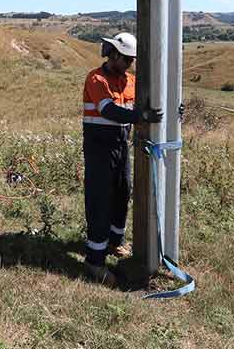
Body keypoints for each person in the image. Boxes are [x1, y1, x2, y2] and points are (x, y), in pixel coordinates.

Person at [81, 32, 162, 285]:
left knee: (122, 193)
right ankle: (94, 261)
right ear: (114, 55)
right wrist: (141, 117)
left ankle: (115, 242)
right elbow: (108, 110)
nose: (129, 64)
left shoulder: (130, 81)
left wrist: (173, 109)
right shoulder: (96, 79)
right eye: (126, 59)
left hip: (120, 147)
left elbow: (149, 103)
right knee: (100, 200)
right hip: (99, 150)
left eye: (131, 60)